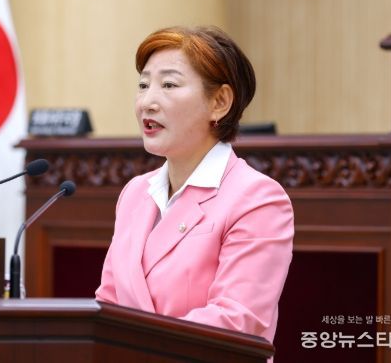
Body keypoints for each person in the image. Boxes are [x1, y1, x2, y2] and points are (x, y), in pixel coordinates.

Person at [95, 25, 294, 346]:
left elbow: (236, 321)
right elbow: (107, 304)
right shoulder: (135, 193)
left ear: (220, 102)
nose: (147, 102)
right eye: (143, 85)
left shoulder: (258, 199)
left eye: (169, 85)